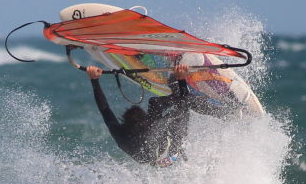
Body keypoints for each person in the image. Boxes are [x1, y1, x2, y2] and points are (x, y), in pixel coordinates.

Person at [85, 66, 220, 166]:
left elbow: (104, 109)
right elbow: (183, 104)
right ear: (146, 121)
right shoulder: (153, 130)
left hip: (152, 154)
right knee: (184, 104)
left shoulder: (119, 132)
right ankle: (224, 113)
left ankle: (176, 86)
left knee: (154, 102)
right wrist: (182, 80)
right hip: (171, 153)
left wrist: (94, 80)